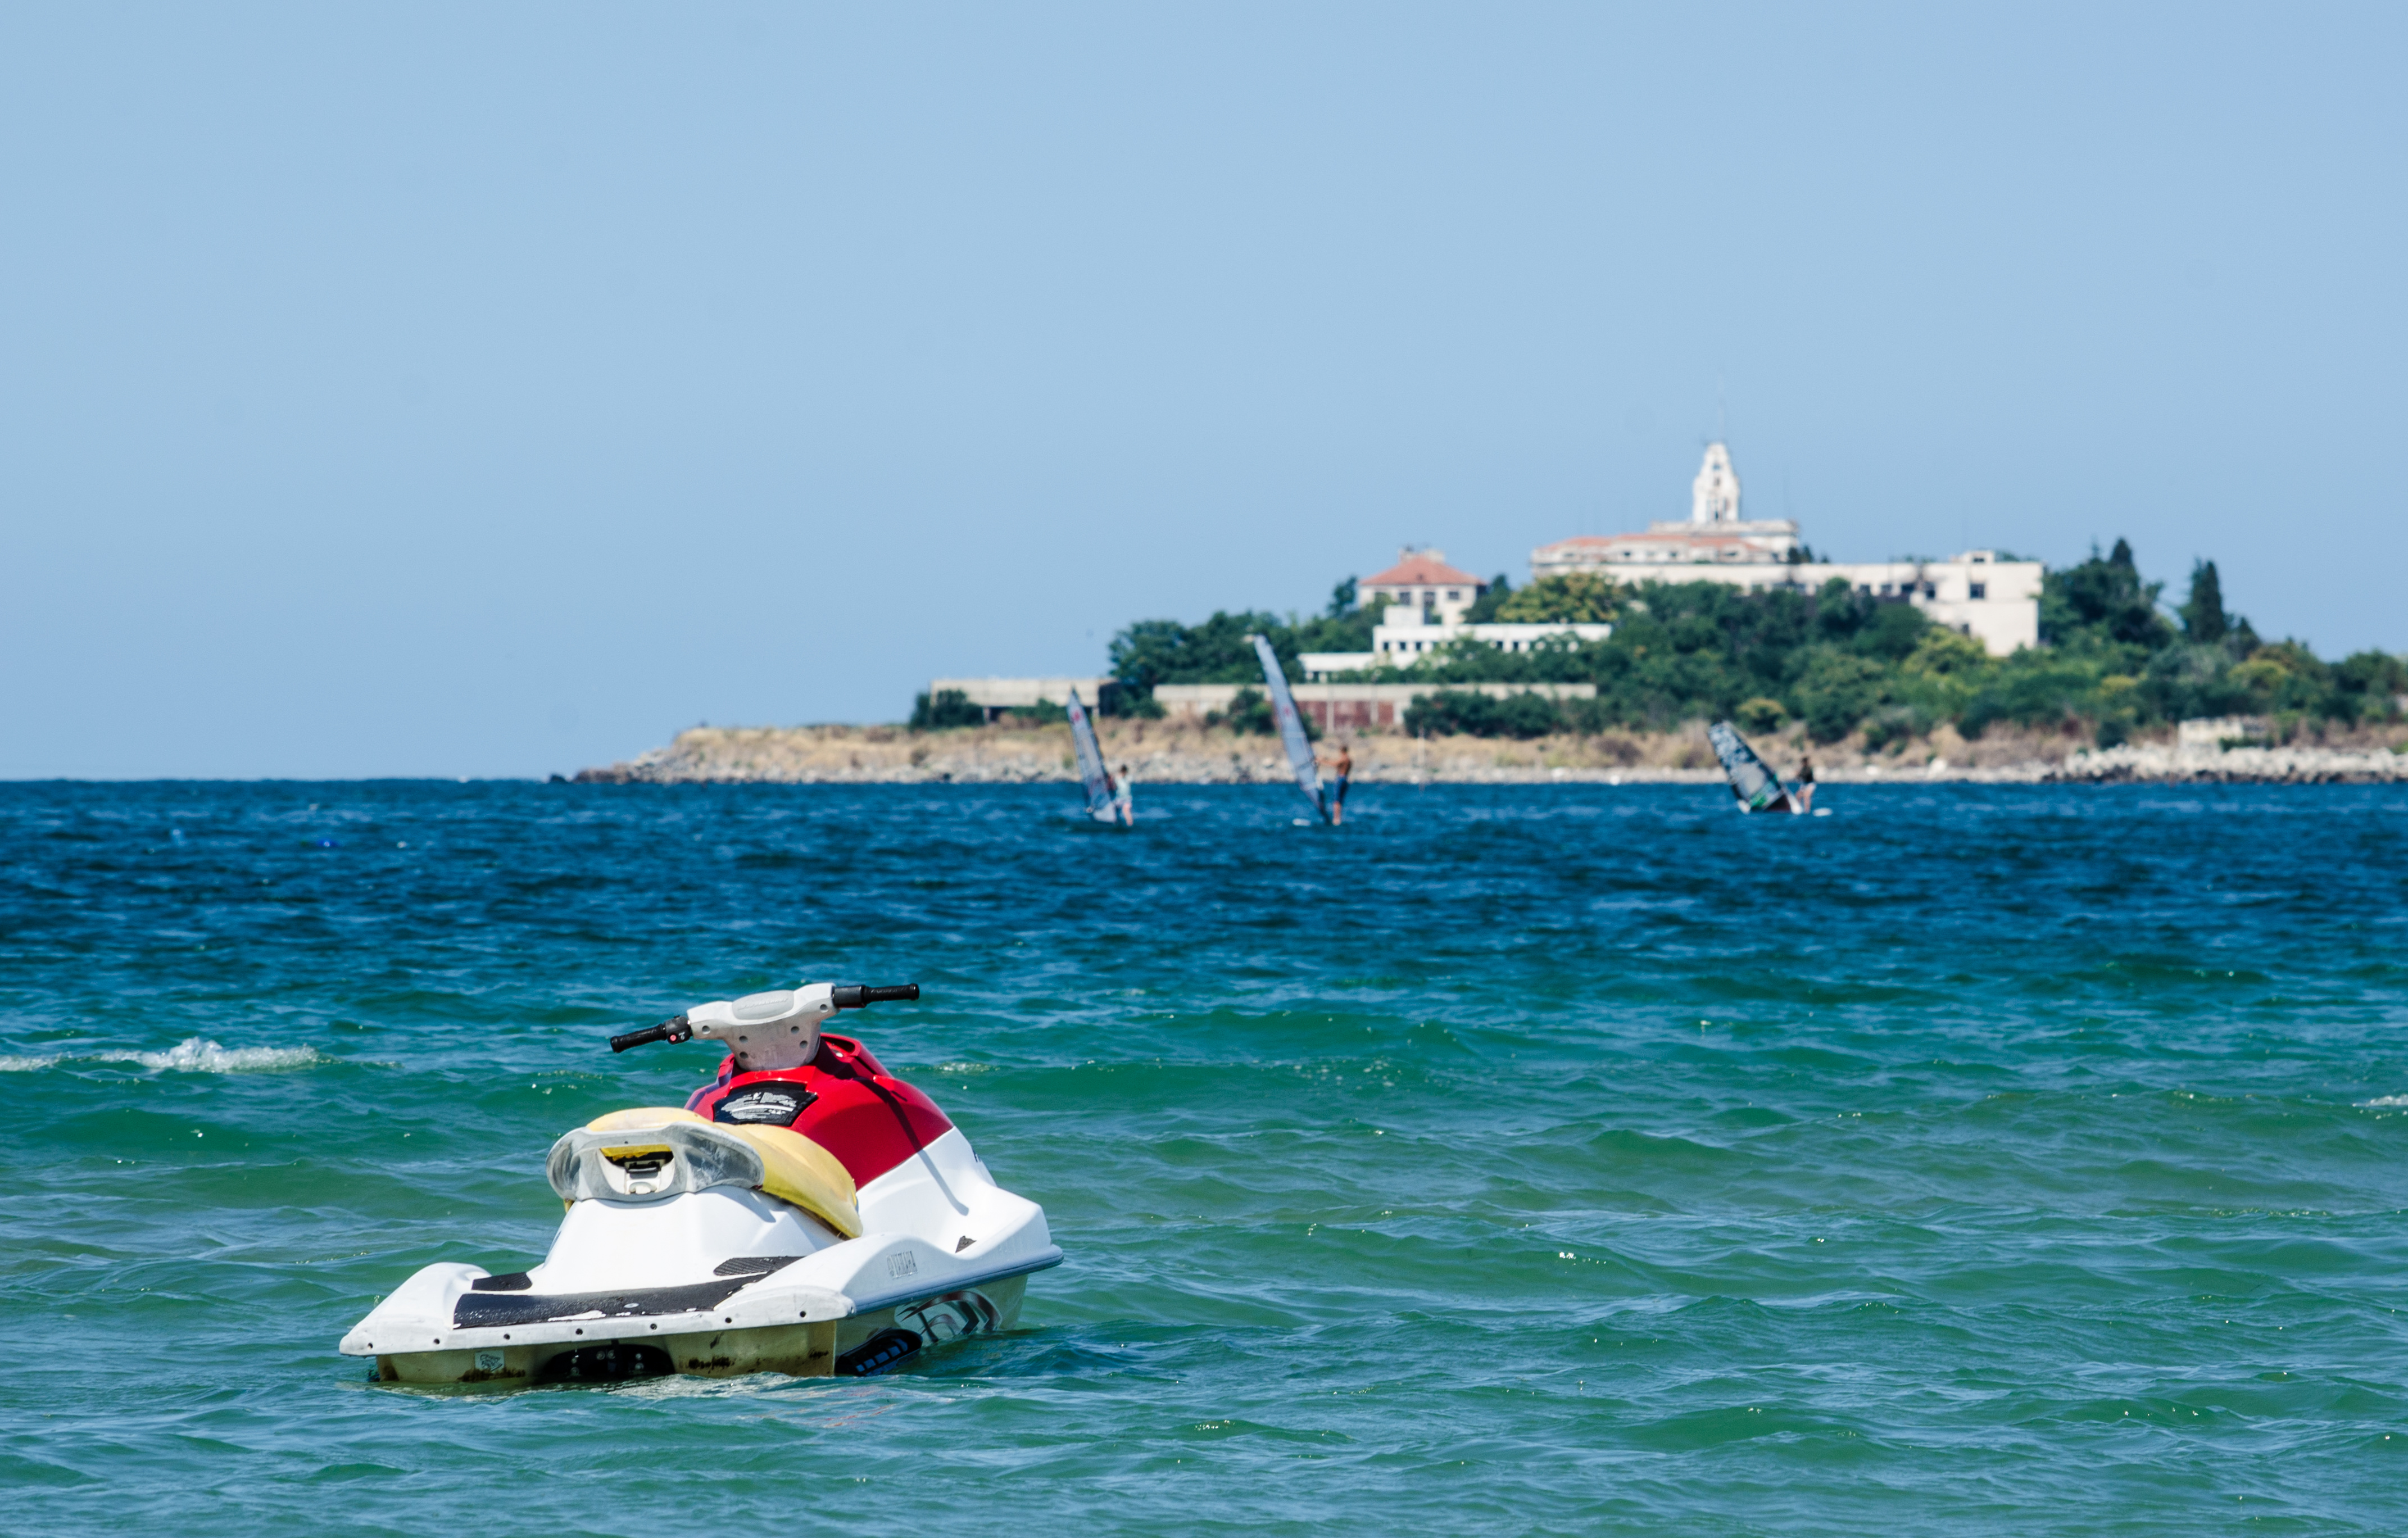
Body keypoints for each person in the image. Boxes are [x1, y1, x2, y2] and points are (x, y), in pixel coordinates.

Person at [1314, 741, 1353, 825]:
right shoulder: (1349, 760)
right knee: (1340, 800)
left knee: (1336, 800)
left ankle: (1336, 819)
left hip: (1340, 779)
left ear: (1341, 751)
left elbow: (1334, 764)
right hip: (1346, 780)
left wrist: (1322, 761)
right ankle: (1338, 818)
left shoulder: (1344, 759)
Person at [1792, 751, 1816, 815]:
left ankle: (1807, 811)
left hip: (1810, 785)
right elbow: (1800, 778)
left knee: (1806, 796)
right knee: (1798, 795)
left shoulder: (1809, 768)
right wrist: (1797, 775)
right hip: (1804, 785)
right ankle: (1798, 809)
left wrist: (1798, 774)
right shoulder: (1802, 769)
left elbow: (1806, 775)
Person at [1113, 763, 1135, 827]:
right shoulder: (1117, 778)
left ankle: (1130, 824)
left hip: (1127, 798)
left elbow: (1130, 780)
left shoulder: (1128, 778)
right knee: (1114, 810)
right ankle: (1116, 823)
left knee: (1126, 810)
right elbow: (1114, 786)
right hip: (1119, 798)